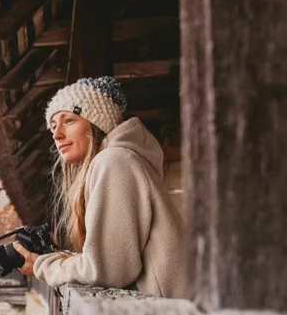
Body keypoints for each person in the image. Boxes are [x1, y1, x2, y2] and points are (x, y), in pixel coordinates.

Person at [14, 76, 185, 298]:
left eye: (69, 121)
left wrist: (42, 266)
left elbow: (107, 270)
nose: (56, 135)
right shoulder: (120, 160)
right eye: (53, 126)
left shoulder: (114, 162)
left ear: (97, 123)